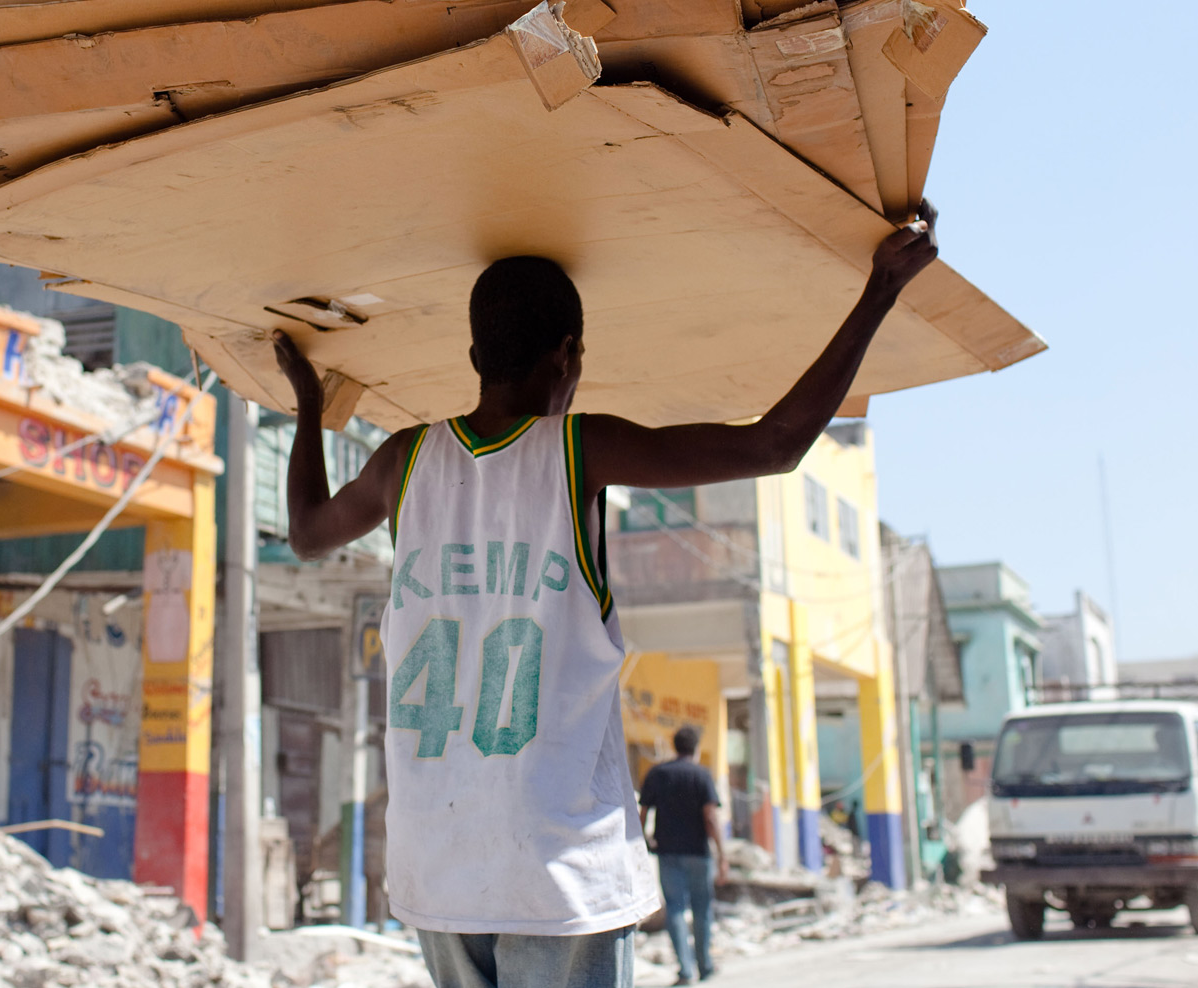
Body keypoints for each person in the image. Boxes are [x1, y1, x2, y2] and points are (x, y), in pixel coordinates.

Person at [275, 208, 941, 988]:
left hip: (438, 865)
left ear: (473, 356)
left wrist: (312, 406)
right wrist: (880, 290)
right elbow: (776, 443)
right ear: (567, 356)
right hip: (559, 866)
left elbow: (308, 533)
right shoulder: (579, 449)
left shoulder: (403, 460)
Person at [638, 727, 726, 985]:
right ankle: (705, 964)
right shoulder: (702, 775)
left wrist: (644, 841)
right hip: (699, 853)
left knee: (675, 910)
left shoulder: (657, 773)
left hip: (667, 853)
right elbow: (710, 816)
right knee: (702, 909)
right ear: (696, 748)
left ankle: (685, 970)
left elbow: (643, 813)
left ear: (675, 746)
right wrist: (722, 854)